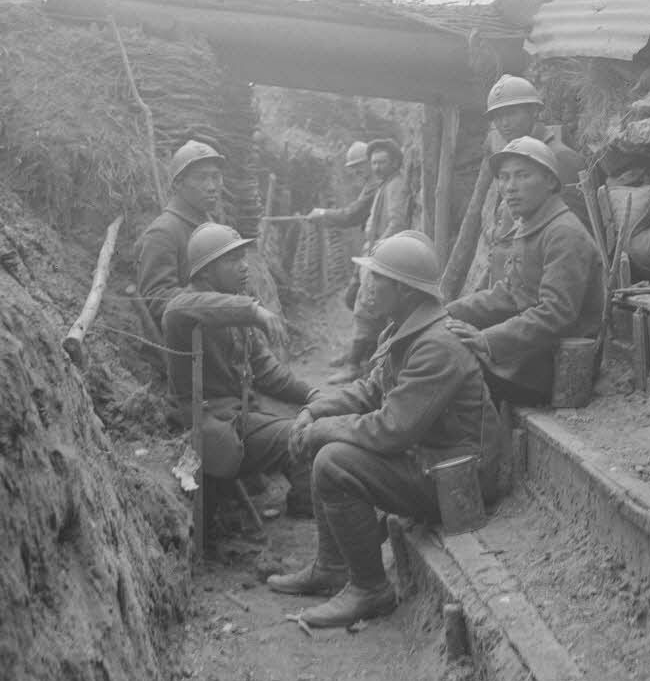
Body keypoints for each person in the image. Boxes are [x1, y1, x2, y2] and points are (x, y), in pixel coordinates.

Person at [267, 231, 503, 628]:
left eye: (377, 278)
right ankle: (332, 566)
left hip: (460, 478)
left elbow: (392, 429)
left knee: (334, 461)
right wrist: (315, 411)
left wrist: (324, 431)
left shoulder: (437, 345)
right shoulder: (404, 330)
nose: (366, 285)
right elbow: (370, 389)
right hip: (434, 460)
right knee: (329, 446)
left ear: (406, 291)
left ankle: (370, 588)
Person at [162, 223, 321, 518]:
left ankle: (302, 503)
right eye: (232, 260)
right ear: (206, 271)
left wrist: (311, 394)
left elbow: (266, 370)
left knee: (305, 424)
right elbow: (180, 306)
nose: (244, 267)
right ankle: (306, 510)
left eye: (243, 257)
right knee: (304, 436)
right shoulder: (186, 308)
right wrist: (253, 310)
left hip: (239, 415)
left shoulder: (232, 305)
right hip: (208, 422)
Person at [445, 136, 604, 407]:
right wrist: (449, 311)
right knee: (439, 347)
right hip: (531, 352)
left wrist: (486, 339)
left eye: (522, 176)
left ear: (551, 182)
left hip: (551, 365)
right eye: (504, 178)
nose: (510, 187)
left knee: (449, 368)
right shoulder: (533, 224)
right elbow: (510, 293)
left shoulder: (563, 233)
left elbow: (556, 314)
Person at [309, 138, 411, 383]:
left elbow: (396, 222)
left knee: (365, 308)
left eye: (381, 162)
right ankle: (365, 357)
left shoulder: (395, 185)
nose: (376, 168)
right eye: (374, 163)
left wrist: (379, 250)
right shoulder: (384, 184)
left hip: (382, 257)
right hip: (375, 252)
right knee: (361, 302)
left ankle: (356, 364)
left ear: (395, 162)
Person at [482, 75, 588, 287]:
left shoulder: (561, 159)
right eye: (498, 116)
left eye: (511, 113)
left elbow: (574, 237)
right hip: (511, 285)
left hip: (544, 283)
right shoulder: (510, 159)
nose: (504, 123)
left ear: (534, 112)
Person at [135, 139, 227, 333]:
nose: (211, 186)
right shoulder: (163, 232)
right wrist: (209, 296)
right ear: (178, 184)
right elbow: (156, 299)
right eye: (201, 178)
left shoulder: (212, 226)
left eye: (216, 176)